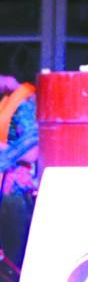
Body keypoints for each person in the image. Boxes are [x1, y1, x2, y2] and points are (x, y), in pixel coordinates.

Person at [0, 74, 38, 270]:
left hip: (17, 188)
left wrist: (4, 153)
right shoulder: (8, 98)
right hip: (8, 184)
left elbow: (32, 152)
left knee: (14, 252)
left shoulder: (26, 103)